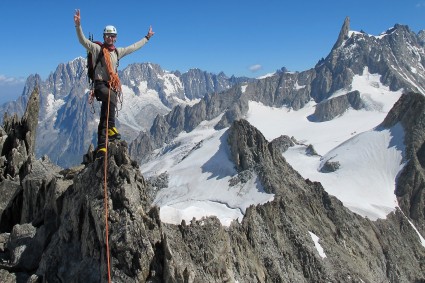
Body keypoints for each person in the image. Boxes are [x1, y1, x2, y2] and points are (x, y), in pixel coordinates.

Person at [73, 9, 155, 158]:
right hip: (99, 85)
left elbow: (133, 47)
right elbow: (83, 41)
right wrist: (78, 25)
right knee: (112, 97)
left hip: (110, 85)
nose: (111, 38)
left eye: (113, 36)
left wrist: (147, 38)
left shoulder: (117, 52)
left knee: (105, 113)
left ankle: (101, 147)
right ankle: (111, 128)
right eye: (108, 35)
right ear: (104, 37)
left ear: (115, 38)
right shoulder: (97, 48)